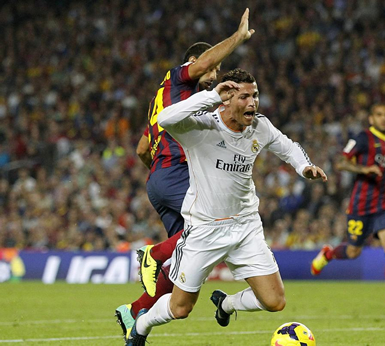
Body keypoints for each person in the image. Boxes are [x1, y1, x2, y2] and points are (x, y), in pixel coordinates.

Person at [125, 68, 327, 345]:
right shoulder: (200, 128)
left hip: (245, 226)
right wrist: (210, 96)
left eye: (255, 95)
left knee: (275, 301)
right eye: (244, 96)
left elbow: (288, 146)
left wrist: (304, 167)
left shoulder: (259, 126)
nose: (253, 102)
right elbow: (165, 118)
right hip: (204, 229)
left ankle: (227, 305)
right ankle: (142, 325)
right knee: (180, 308)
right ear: (227, 99)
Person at [115, 9, 255, 341]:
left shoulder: (175, 102)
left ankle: (135, 312)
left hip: (161, 179)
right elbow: (203, 64)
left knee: (188, 260)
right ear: (192, 63)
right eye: (210, 67)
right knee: (214, 223)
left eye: (218, 69)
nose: (214, 72)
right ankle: (153, 253)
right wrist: (237, 38)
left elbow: (140, 148)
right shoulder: (179, 78)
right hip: (176, 174)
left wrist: (160, 177)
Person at [310, 104, 385, 315]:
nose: (384, 118)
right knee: (353, 251)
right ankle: (328, 254)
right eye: (379, 115)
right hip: (361, 205)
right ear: (372, 119)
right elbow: (340, 163)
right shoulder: (362, 138)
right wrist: (364, 169)